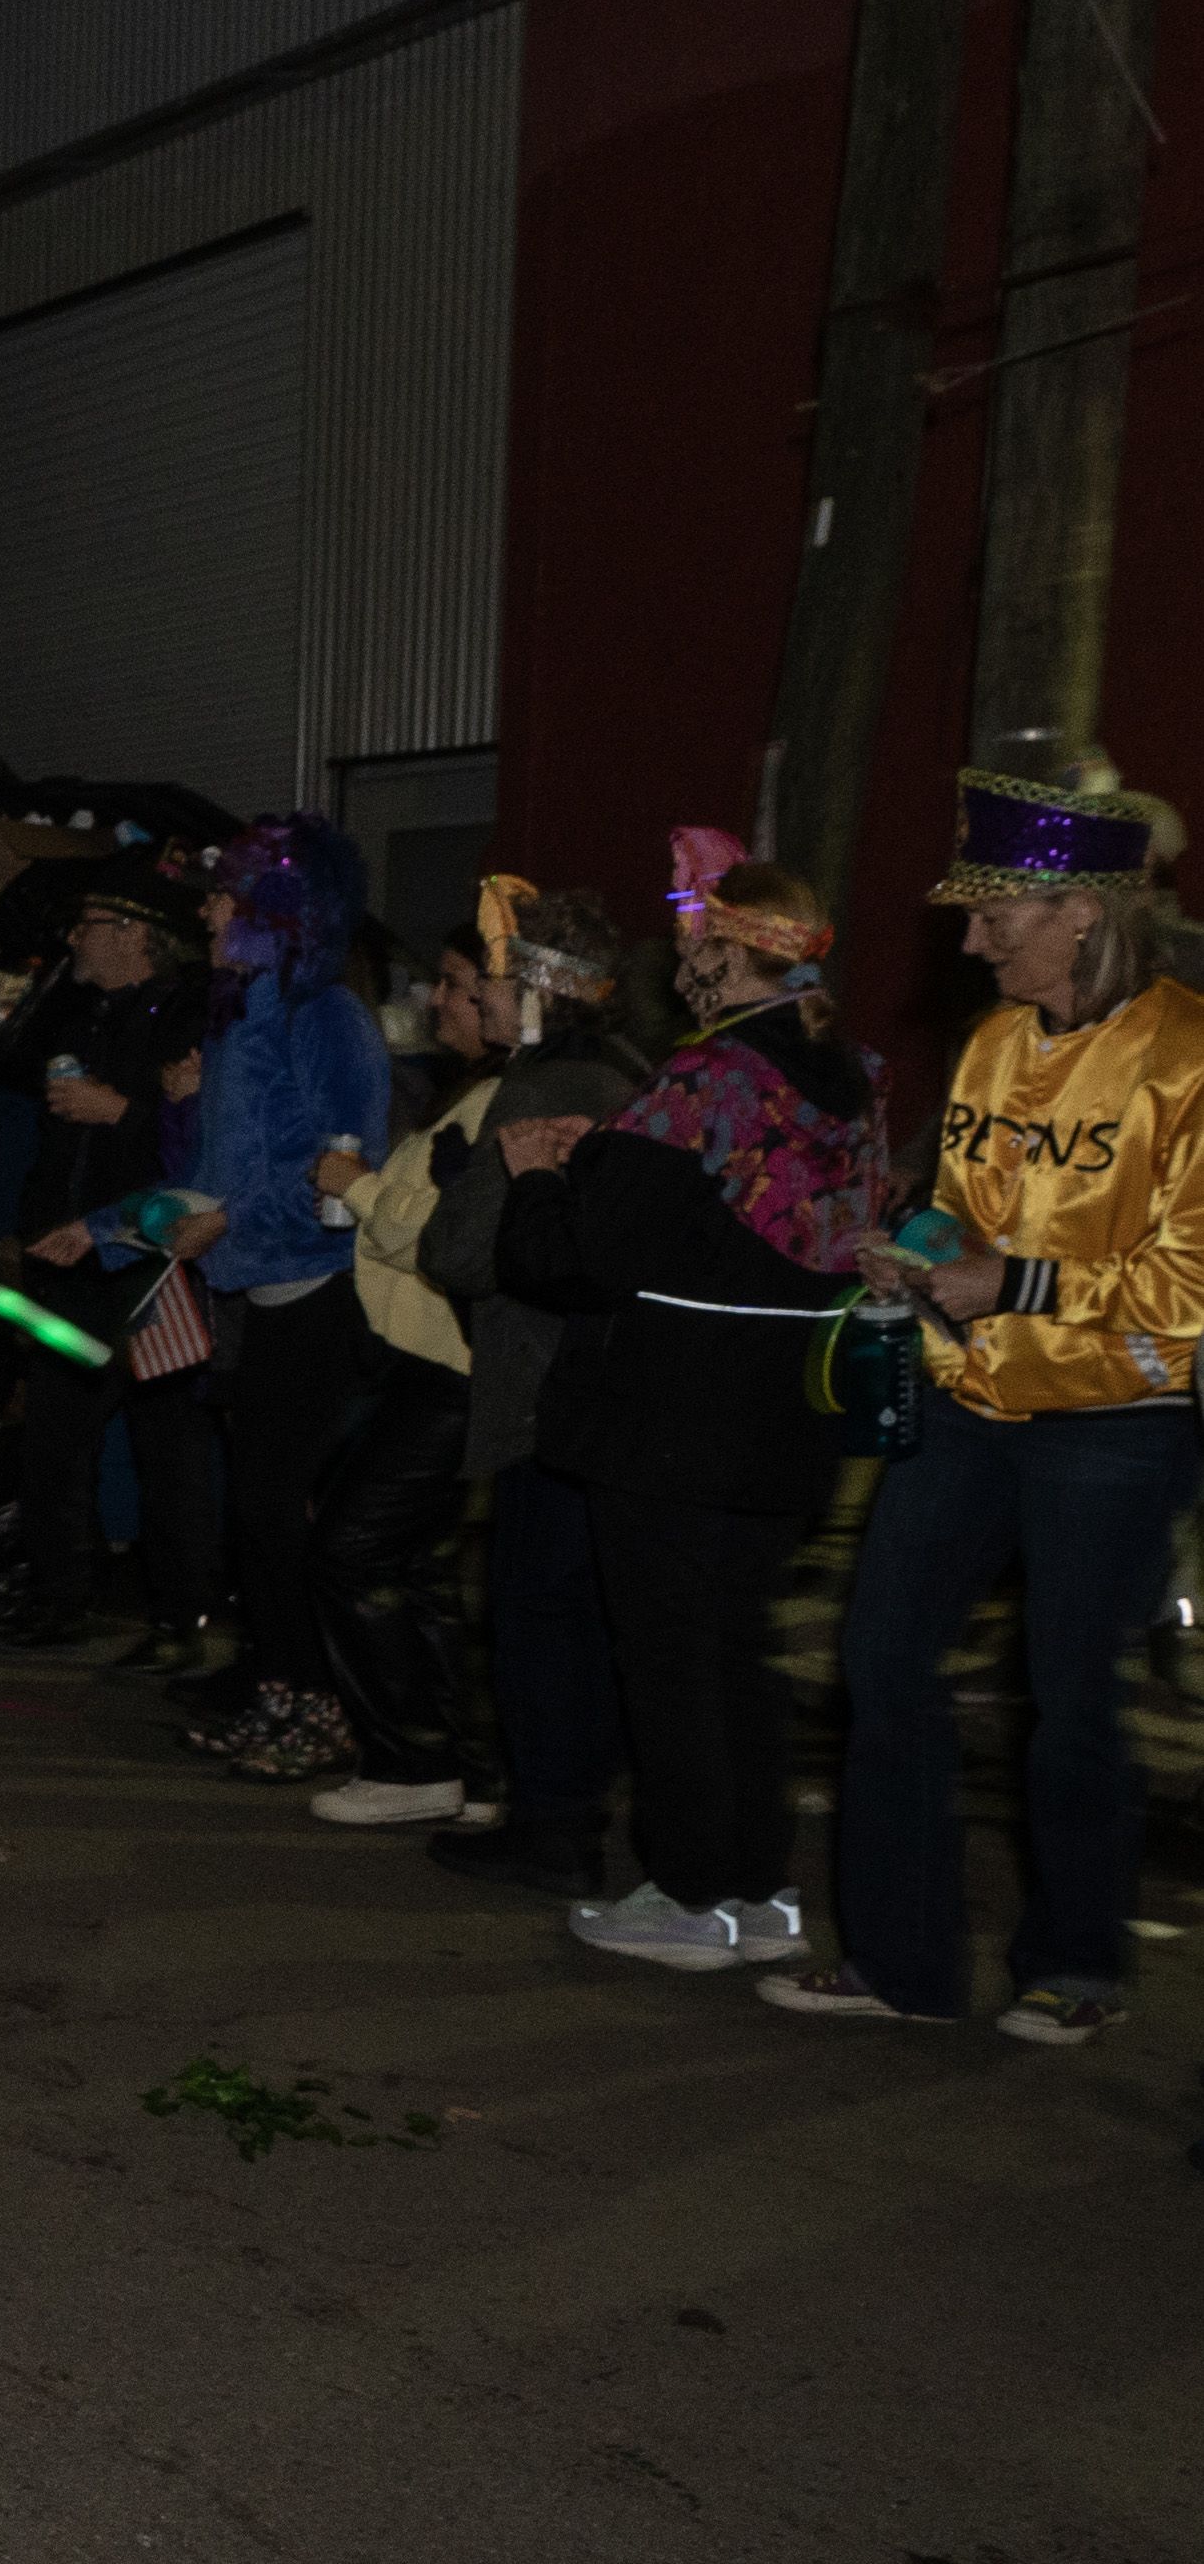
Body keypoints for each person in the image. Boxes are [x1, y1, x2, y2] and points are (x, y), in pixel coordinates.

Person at [771, 769, 1204, 2039]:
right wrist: (907, 1241)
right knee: (882, 1658)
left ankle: (1079, 1960)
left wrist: (1002, 1273)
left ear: (1078, 912)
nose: (968, 941)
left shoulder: (1186, 1053)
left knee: (1072, 1699)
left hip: (1114, 1421)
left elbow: (1188, 1282)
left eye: (993, 917)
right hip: (968, 1392)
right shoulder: (994, 1042)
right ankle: (903, 1961)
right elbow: (963, 1199)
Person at [503, 840, 880, 1969]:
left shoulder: (704, 1076)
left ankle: (687, 1889)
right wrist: (607, 1156)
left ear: (726, 952)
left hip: (674, 1412)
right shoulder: (847, 1070)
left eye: (691, 939)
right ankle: (756, 1889)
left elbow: (585, 1261)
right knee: (740, 1653)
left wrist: (536, 1177)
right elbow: (735, 1216)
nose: (678, 959)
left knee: (671, 1655)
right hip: (785, 1406)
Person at [413, 886, 653, 1897]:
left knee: (535, 1613)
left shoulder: (541, 1085)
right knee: (587, 1612)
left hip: (543, 1387)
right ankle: (575, 1810)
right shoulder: (635, 1074)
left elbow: (458, 1252)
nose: (487, 997)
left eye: (499, 978)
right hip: (611, 1386)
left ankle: (552, 1823)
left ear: (545, 985)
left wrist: (469, 1183)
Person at [171, 814, 394, 1781]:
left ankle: (317, 1705)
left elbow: (342, 1159)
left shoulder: (324, 1015)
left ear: (274, 913)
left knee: (276, 1509)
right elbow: (232, 1153)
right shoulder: (241, 1012)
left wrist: (227, 1216)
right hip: (255, 1291)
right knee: (256, 1514)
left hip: (315, 1289)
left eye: (225, 896)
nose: (207, 912)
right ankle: (278, 1689)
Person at [295, 923, 505, 1823]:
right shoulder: (477, 1092)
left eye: (459, 985)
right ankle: (446, 1764)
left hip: (453, 1365)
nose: (440, 1001)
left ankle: (412, 1759)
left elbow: (442, 1231)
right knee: (410, 1564)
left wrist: (355, 1184)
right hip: (427, 1358)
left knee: (352, 1546)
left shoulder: (502, 1099)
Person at [0, 853, 219, 1654]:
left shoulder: (187, 1017)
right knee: (52, 1437)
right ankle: (59, 1595)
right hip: (67, 1256)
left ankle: (176, 1615)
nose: (74, 938)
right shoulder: (79, 1014)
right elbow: (8, 1064)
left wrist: (119, 1108)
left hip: (147, 1260)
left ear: (134, 935)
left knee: (167, 1448)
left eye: (90, 925)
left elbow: (201, 1142)